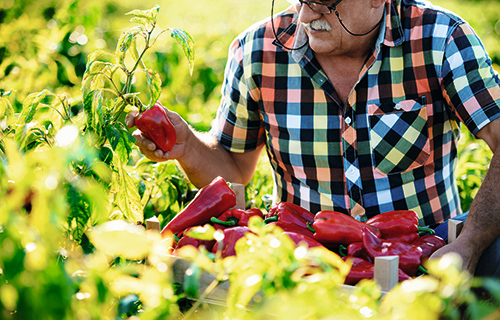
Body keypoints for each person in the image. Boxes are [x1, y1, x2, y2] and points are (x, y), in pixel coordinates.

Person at [126, 0, 500, 277]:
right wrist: (189, 147)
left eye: (325, 3)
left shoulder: (440, 39)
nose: (306, 16)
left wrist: (469, 243)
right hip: (303, 270)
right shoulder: (257, 50)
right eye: (303, 0)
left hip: (423, 261)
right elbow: (235, 170)